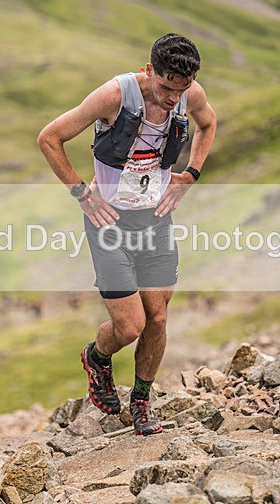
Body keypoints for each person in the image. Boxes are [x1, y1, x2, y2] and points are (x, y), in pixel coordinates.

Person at [37, 34, 216, 435]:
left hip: (155, 220)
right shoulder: (114, 96)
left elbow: (208, 124)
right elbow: (49, 138)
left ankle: (141, 403)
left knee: (158, 316)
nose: (174, 99)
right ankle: (98, 356)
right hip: (109, 222)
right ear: (148, 70)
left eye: (181, 89)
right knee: (130, 326)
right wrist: (81, 193)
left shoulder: (191, 94)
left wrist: (190, 174)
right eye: (167, 87)